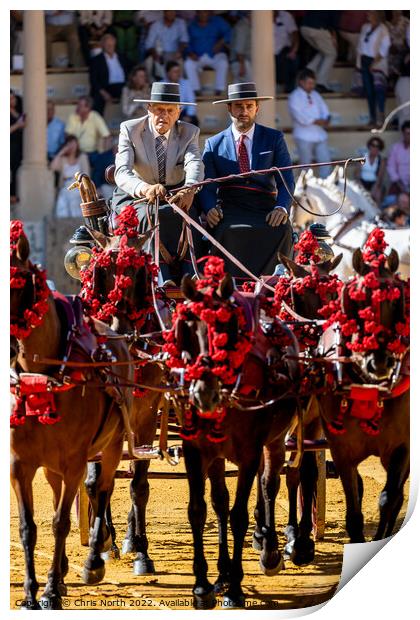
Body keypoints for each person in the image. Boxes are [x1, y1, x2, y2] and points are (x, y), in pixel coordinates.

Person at [111, 82, 204, 284]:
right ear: (149, 108)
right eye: (159, 109)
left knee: (190, 214)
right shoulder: (129, 129)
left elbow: (195, 163)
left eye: (170, 110)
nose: (165, 115)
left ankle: (191, 276)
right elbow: (122, 173)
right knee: (151, 214)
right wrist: (144, 188)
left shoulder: (190, 132)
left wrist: (190, 187)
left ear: (178, 112)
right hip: (136, 194)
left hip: (176, 192)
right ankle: (159, 277)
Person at [200, 82, 295, 278]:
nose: (244, 111)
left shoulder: (274, 138)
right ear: (229, 108)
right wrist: (209, 208)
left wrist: (281, 208)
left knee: (283, 229)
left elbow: (286, 180)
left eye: (249, 106)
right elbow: (207, 185)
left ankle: (274, 286)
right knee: (225, 230)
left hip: (266, 207)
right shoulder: (213, 143)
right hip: (229, 208)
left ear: (257, 108)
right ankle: (228, 288)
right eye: (239, 106)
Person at [288, 69, 332, 178]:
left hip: (320, 134)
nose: (312, 86)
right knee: (305, 166)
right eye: (309, 83)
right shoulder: (294, 96)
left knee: (325, 162)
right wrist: (318, 121)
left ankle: (326, 186)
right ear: (301, 82)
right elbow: (300, 117)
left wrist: (327, 118)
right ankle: (305, 190)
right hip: (303, 136)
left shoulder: (316, 94)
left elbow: (325, 110)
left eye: (313, 83)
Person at [65, 96, 114, 189]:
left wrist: (103, 150)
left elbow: (107, 136)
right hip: (76, 153)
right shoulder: (73, 116)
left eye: (80, 106)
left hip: (92, 153)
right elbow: (68, 137)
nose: (77, 108)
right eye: (77, 105)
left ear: (87, 108)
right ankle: (90, 189)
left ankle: (95, 188)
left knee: (104, 159)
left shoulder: (95, 116)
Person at [356, 11, 391, 128]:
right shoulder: (365, 27)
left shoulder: (383, 28)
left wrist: (374, 62)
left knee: (379, 90)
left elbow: (386, 45)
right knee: (369, 92)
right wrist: (359, 61)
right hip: (365, 60)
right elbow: (360, 45)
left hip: (377, 61)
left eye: (370, 13)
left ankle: (381, 116)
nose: (368, 15)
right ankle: (372, 118)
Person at [184, 11, 231, 96]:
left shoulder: (217, 21)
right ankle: (196, 91)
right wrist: (190, 52)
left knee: (223, 62)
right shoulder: (191, 25)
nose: (203, 14)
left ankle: (218, 90)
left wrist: (221, 42)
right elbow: (187, 41)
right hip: (198, 56)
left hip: (214, 54)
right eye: (201, 12)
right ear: (197, 13)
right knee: (188, 64)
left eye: (205, 12)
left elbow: (229, 32)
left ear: (209, 13)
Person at [50, 135, 90, 217]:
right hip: (65, 187)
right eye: (69, 144)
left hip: (78, 188)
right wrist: (61, 153)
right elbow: (52, 167)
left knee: (75, 208)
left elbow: (86, 175)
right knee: (62, 208)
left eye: (73, 143)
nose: (71, 146)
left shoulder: (82, 157)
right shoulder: (63, 159)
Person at [300, 11, 340, 93]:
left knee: (324, 50)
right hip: (317, 28)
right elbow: (333, 24)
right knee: (332, 54)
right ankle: (321, 83)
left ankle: (309, 69)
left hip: (304, 28)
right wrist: (334, 38)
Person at [89, 33, 129, 115]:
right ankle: (97, 122)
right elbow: (93, 80)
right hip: (105, 88)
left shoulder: (122, 57)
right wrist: (104, 93)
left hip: (123, 87)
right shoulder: (96, 60)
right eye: (108, 45)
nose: (110, 47)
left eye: (112, 45)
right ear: (103, 46)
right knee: (97, 98)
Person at [144, 11, 189, 81]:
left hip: (175, 54)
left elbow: (184, 41)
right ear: (164, 12)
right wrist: (155, 54)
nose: (171, 13)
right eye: (169, 11)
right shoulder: (156, 25)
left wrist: (179, 52)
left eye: (173, 11)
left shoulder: (181, 23)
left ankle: (179, 87)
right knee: (150, 63)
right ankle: (154, 86)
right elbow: (149, 45)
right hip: (160, 54)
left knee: (181, 66)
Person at [165, 61, 198, 126]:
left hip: (182, 113)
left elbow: (191, 102)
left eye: (179, 71)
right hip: (166, 113)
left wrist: (189, 116)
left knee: (194, 121)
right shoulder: (161, 84)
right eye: (175, 72)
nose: (178, 74)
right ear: (168, 73)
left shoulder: (186, 83)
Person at [355, 136, 386, 205]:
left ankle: (378, 214)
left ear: (380, 148)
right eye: (373, 145)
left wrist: (374, 189)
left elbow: (380, 177)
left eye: (377, 146)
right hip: (362, 183)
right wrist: (361, 188)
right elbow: (357, 175)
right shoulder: (362, 157)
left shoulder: (381, 160)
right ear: (369, 146)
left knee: (378, 194)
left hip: (374, 184)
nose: (375, 148)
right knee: (358, 193)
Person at [274, 10, 299, 94]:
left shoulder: (286, 16)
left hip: (284, 51)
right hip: (267, 54)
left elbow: (294, 33)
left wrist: (294, 50)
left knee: (294, 61)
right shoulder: (260, 16)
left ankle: (289, 91)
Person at [387, 120, 410, 196]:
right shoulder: (395, 148)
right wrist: (398, 182)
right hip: (398, 183)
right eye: (408, 133)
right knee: (390, 202)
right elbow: (391, 167)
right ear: (403, 133)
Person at [10, 90, 25, 204]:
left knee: (16, 169)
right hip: (9, 145)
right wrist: (17, 126)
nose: (12, 100)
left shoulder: (19, 110)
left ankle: (14, 194)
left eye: (13, 98)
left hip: (19, 145)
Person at [230, 14, 252, 84]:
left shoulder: (249, 26)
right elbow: (239, 49)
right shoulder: (242, 27)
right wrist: (242, 66)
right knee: (253, 86)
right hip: (241, 62)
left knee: (239, 88)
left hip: (246, 62)